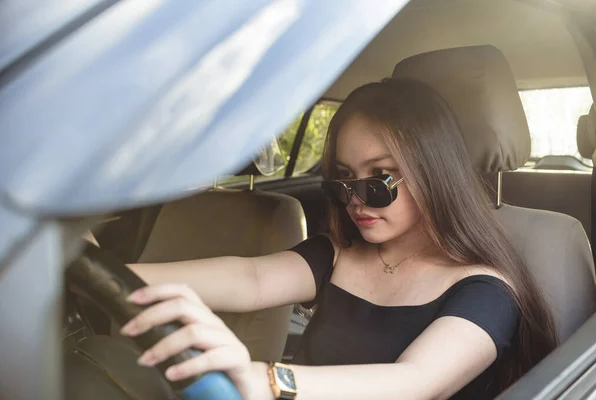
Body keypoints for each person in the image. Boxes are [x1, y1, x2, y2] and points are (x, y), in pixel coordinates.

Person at [120, 78, 558, 400]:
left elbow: (413, 382)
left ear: (433, 173)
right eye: (344, 179)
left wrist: (269, 380)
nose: (355, 200)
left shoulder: (487, 293)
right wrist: (113, 275)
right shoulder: (340, 255)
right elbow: (251, 278)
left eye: (379, 179)